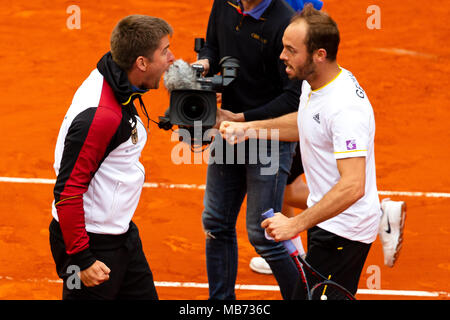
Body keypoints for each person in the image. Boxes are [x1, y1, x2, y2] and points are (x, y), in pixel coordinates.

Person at [220, 4, 388, 298]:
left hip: (343, 233)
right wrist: (247, 127)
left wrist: (294, 223)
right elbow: (306, 125)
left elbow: (353, 185)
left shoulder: (345, 107)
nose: (282, 55)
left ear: (318, 55)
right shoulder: (315, 83)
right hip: (326, 221)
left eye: (290, 50)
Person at [49, 15, 175, 300]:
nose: (171, 57)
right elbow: (68, 191)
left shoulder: (116, 75)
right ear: (141, 62)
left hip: (121, 233)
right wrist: (82, 259)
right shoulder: (102, 117)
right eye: (164, 50)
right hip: (92, 243)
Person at [193, 0, 302, 300]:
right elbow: (212, 47)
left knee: (264, 234)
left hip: (269, 137)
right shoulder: (224, 3)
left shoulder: (284, 23)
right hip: (229, 134)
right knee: (216, 223)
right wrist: (204, 64)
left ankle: (303, 296)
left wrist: (241, 119)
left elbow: (293, 99)